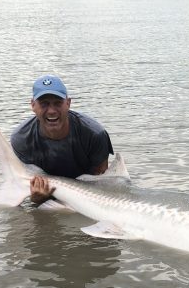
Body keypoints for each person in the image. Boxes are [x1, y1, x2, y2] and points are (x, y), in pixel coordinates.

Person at [11, 74, 114, 205]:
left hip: (88, 195)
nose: (52, 111)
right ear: (33, 105)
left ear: (68, 103)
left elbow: (102, 184)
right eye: (44, 104)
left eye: (58, 103)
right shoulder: (21, 138)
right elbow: (26, 183)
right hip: (45, 193)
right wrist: (36, 198)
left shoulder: (95, 134)